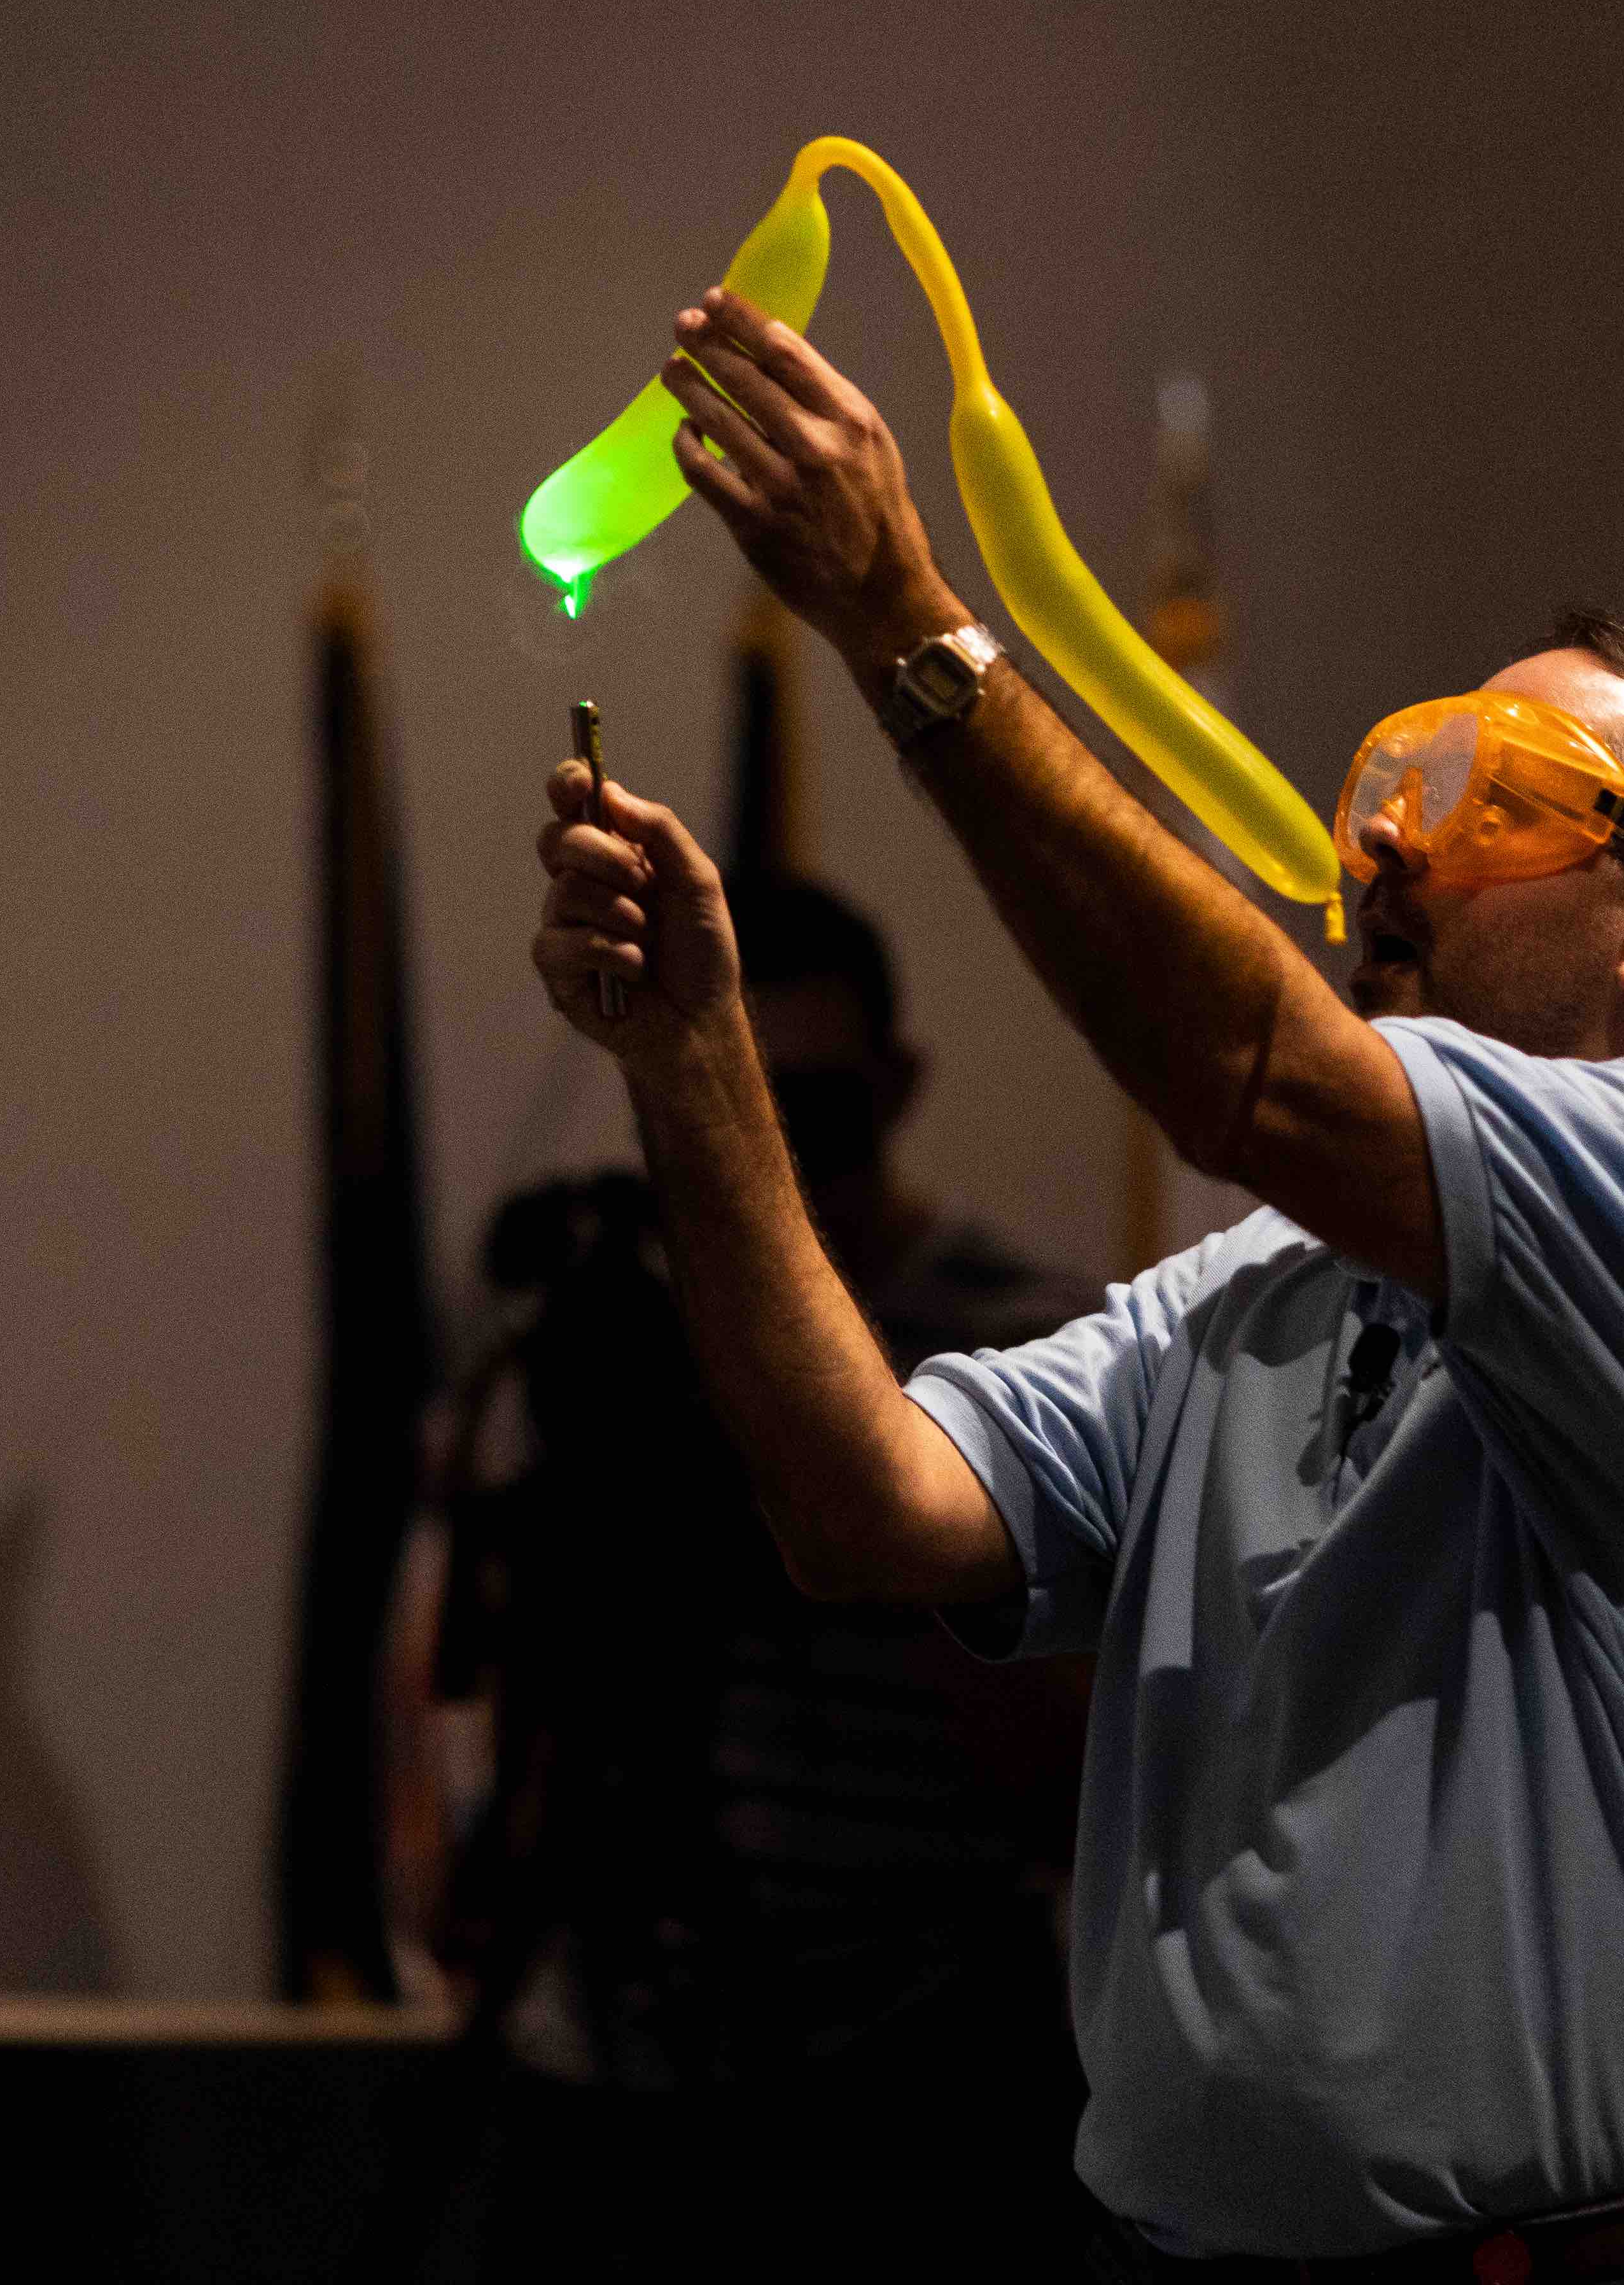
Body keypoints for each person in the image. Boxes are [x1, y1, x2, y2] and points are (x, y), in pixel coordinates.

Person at [525, 285, 1624, 2279]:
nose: (1388, 857)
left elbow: (1249, 1070)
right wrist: (694, 1061)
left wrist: (907, 623)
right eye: (1396, 788)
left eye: (1489, 802)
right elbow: (865, 1511)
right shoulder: (1264, 1287)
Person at [428, 875, 1102, 2280]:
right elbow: (462, 1652)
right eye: (740, 1114)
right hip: (610, 2055)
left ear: (900, 1086)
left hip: (909, 2060)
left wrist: (845, 1452)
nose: (778, 1167)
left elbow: (1064, 1768)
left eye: (822, 1121)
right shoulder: (613, 1313)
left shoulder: (1026, 1337)